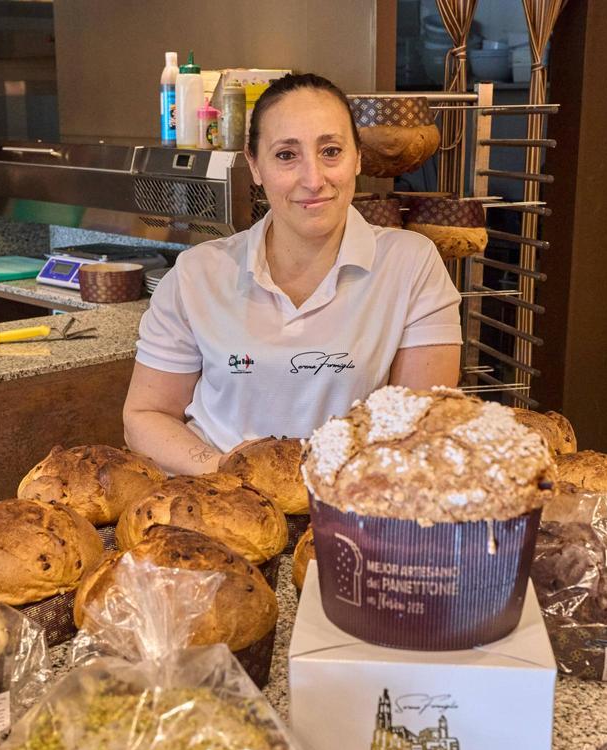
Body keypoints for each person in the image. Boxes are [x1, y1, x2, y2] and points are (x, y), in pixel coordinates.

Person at [124, 73, 462, 475]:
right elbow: (145, 415)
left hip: (353, 503)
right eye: (286, 155)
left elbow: (422, 426)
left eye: (331, 151)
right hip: (216, 501)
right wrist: (227, 471)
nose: (313, 179)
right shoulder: (199, 273)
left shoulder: (410, 264)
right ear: (255, 166)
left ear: (357, 159)